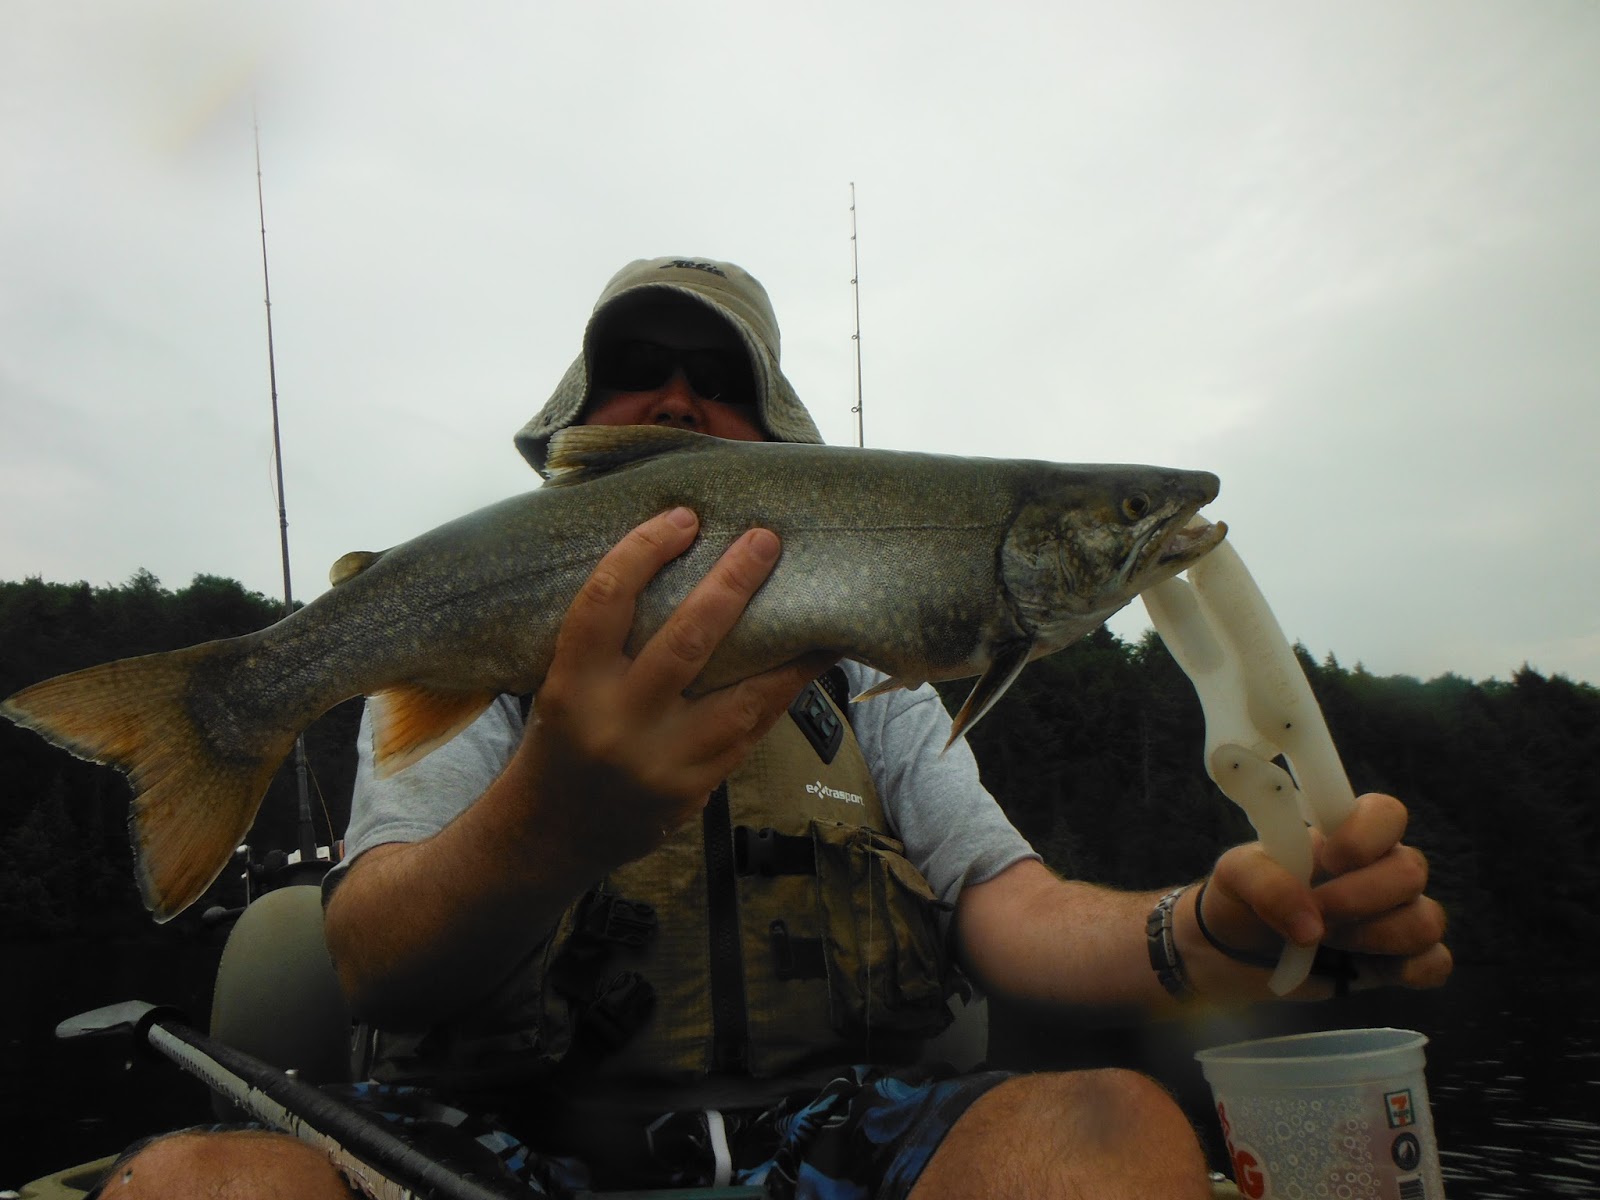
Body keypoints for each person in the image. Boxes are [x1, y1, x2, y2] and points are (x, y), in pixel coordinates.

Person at [98, 257, 1451, 1200]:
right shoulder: (484, 662)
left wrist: (1199, 926)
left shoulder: (878, 676)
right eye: (636, 372)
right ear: (576, 432)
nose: (679, 399)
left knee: (1104, 1126)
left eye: (720, 380)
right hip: (478, 1136)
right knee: (194, 1180)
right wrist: (549, 825)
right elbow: (374, 959)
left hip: (833, 1129)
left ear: (784, 455)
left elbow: (1008, 902)